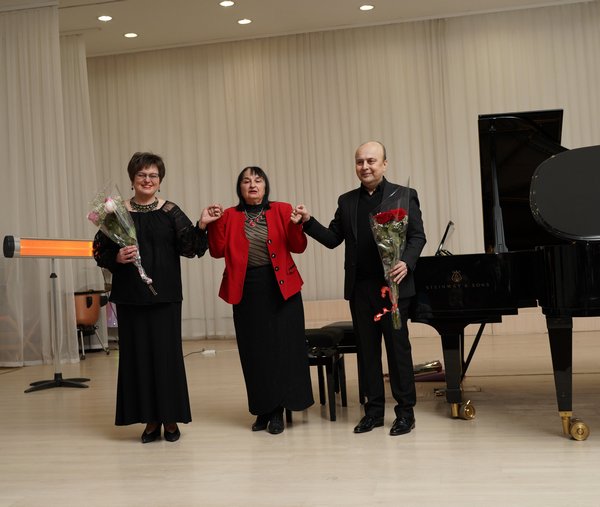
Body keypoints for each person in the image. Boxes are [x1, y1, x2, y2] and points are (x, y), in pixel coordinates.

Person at [293, 141, 426, 436]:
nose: (365, 167)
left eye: (371, 161)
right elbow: (332, 239)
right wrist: (308, 222)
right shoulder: (347, 201)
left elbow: (418, 236)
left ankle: (405, 413)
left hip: (393, 288)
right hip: (361, 289)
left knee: (398, 351)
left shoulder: (404, 195)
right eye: (359, 162)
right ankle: (373, 412)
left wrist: (406, 262)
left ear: (384, 164)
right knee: (367, 353)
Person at [93, 151, 221, 443]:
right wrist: (117, 257)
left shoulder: (170, 211)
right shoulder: (116, 213)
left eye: (153, 175)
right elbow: (99, 251)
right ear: (132, 179)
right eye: (142, 175)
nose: (147, 180)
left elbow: (190, 248)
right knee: (137, 358)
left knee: (166, 358)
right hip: (130, 297)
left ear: (160, 180)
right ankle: (150, 420)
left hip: (165, 296)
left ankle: (170, 419)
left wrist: (202, 224)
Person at [207, 166, 314, 435]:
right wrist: (213, 223)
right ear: (240, 188)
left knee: (283, 349)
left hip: (282, 288)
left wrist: (297, 224)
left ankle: (278, 409)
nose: (252, 185)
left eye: (258, 180)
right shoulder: (229, 215)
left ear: (265, 186)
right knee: (254, 351)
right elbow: (217, 251)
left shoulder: (282, 209)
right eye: (246, 181)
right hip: (247, 290)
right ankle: (262, 408)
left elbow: (298, 246)